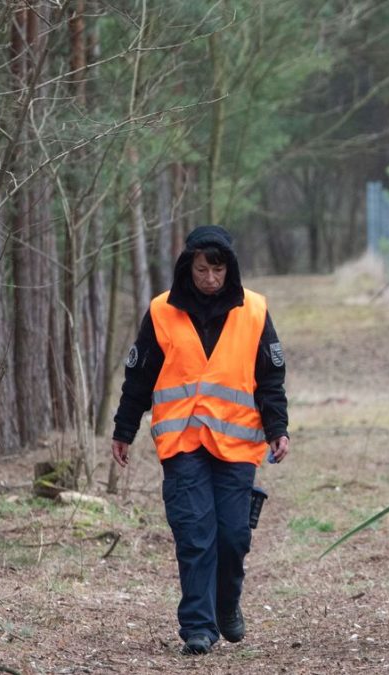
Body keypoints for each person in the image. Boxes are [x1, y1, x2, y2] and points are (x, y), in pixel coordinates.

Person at [110, 225, 290, 656]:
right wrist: (124, 429)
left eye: (218, 269)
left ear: (231, 269)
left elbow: (270, 379)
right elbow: (139, 376)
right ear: (187, 267)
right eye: (202, 269)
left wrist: (277, 428)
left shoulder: (255, 311)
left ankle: (227, 606)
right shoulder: (160, 312)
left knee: (232, 536)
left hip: (238, 444)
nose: (210, 278)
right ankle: (198, 626)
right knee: (194, 534)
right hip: (181, 443)